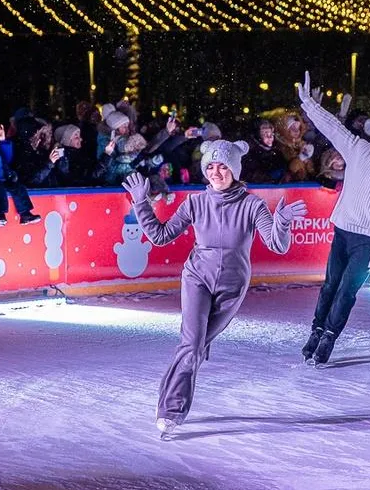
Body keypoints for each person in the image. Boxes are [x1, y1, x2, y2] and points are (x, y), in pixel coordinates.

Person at [122, 139, 307, 437]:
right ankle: (171, 410)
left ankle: (186, 368)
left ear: (235, 170)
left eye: (223, 166)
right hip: (197, 278)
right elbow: (160, 235)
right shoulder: (196, 202)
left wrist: (282, 222)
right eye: (210, 166)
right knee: (192, 345)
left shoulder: (252, 204)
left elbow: (277, 244)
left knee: (195, 346)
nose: (216, 172)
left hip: (233, 288)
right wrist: (141, 203)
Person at [296, 71, 370, 366]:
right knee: (329, 285)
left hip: (369, 241)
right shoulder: (360, 149)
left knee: (346, 292)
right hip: (343, 232)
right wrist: (310, 105)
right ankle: (316, 330)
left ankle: (329, 338)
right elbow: (333, 128)